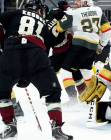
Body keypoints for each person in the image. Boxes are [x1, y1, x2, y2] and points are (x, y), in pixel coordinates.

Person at [0, 0, 73, 139]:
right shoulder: (44, 23)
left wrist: (3, 46)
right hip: (36, 54)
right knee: (53, 91)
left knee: (2, 92)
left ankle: (9, 126)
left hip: (11, 52)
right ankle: (57, 128)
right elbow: (56, 47)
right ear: (39, 10)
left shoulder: (15, 12)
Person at [55, 0, 111, 97]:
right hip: (93, 45)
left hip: (79, 44)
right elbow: (107, 29)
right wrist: (101, 45)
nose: (76, 3)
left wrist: (65, 14)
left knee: (65, 71)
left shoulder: (74, 12)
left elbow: (59, 28)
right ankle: (91, 98)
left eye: (78, 1)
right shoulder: (98, 10)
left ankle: (73, 99)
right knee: (86, 71)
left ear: (85, 2)